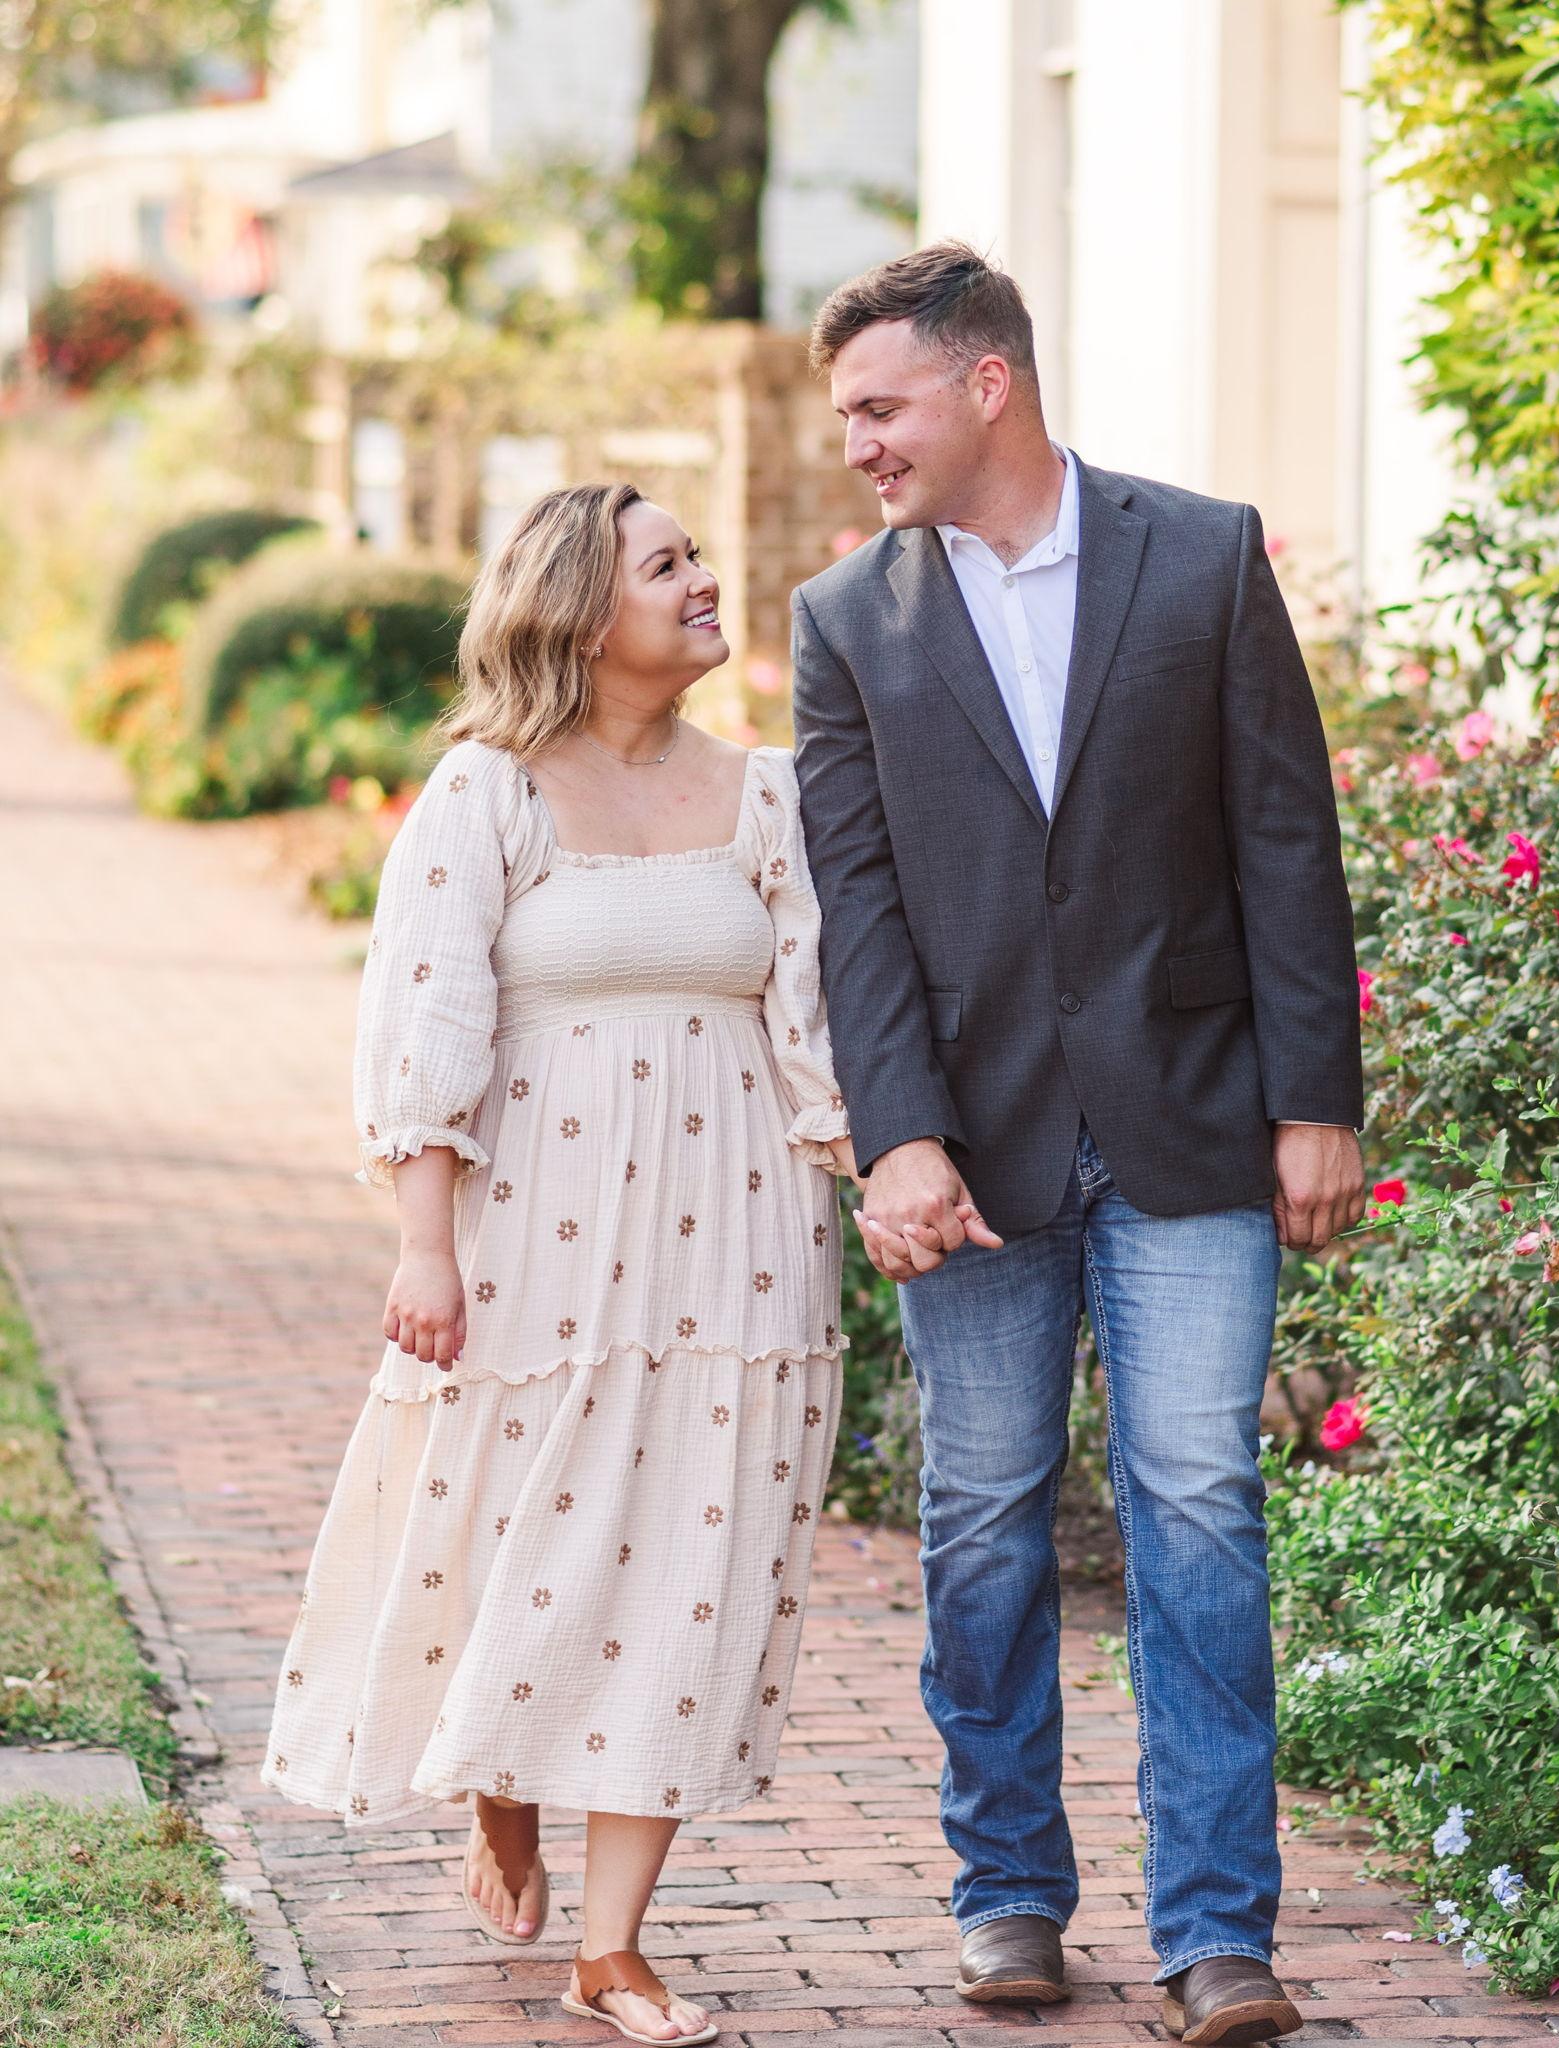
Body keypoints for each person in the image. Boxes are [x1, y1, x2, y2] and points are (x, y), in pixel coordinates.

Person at [791, 242, 1366, 2047]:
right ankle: (1010, 1896)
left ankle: (1218, 1937)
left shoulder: (1200, 555)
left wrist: (1317, 1097)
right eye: (845, 419)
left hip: (1193, 1121)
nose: (859, 447)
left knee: (1198, 1506)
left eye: (880, 407)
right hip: (970, 1153)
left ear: (986, 384)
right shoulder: (842, 622)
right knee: (981, 1524)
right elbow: (856, 911)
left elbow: (1287, 837)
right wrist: (897, 1137)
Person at [263, 481, 857, 2047]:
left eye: (697, 556)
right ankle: (501, 1791)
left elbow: (814, 1025)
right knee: (531, 1536)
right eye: (669, 565)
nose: (708, 581)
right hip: (541, 1238)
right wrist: (426, 1245)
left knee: (692, 1555)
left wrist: (879, 1182)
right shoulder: (487, 796)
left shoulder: (773, 795)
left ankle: (615, 1953)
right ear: (587, 613)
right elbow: (427, 1020)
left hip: (736, 1243)